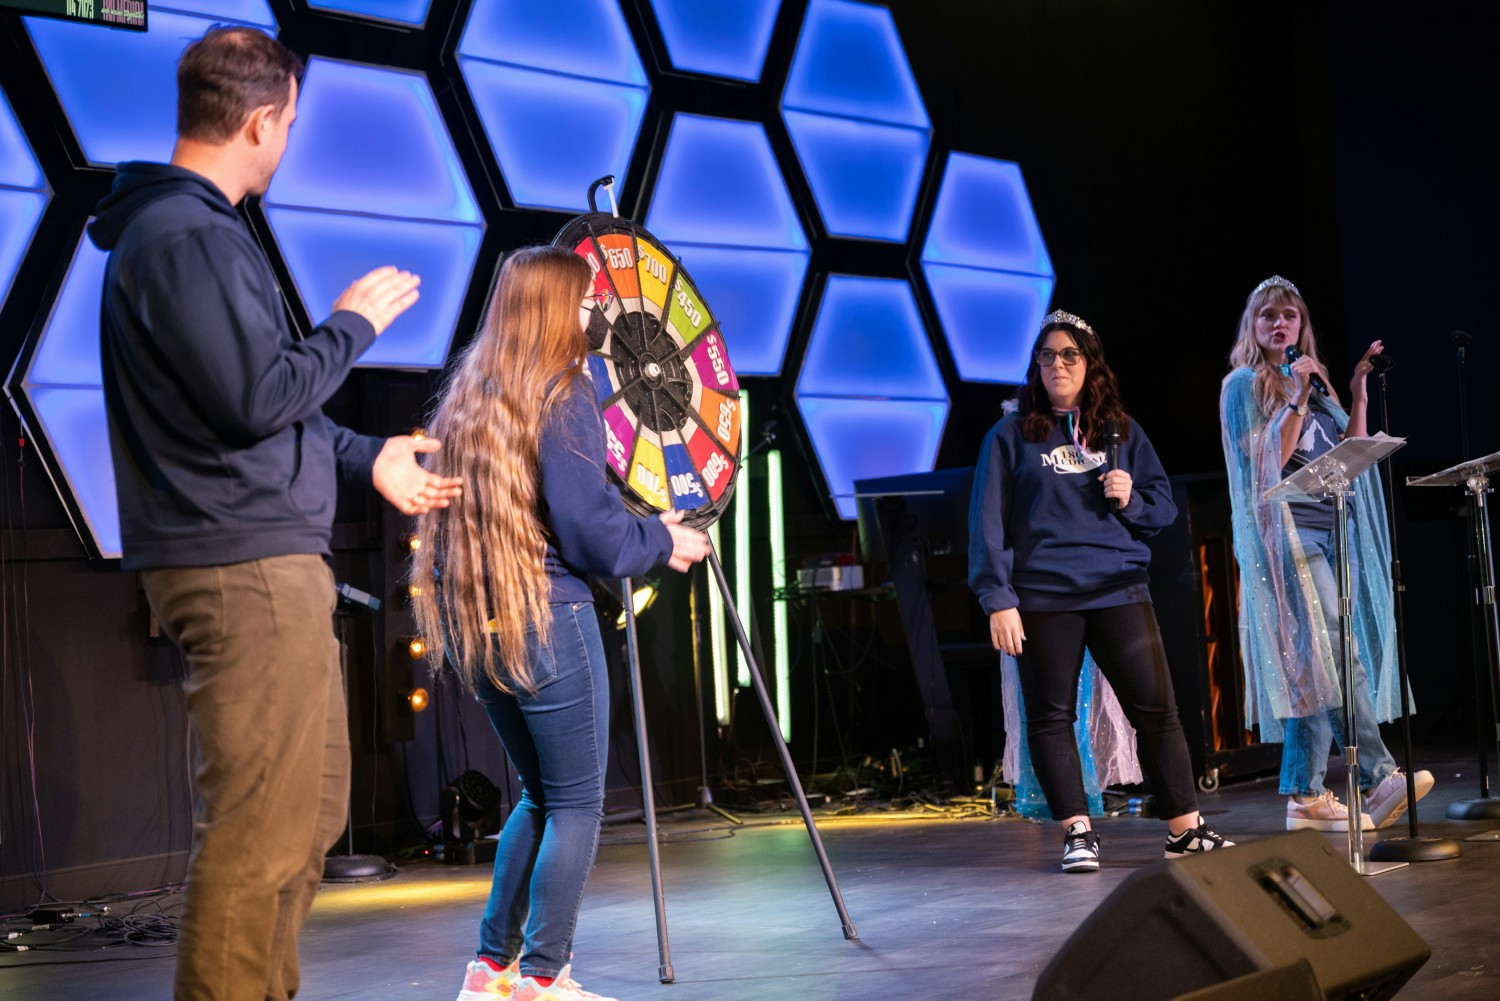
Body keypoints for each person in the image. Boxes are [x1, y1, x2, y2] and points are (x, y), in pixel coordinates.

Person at [90, 26, 462, 1001]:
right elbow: (259, 394)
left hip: (266, 557)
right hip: (241, 564)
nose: (287, 141)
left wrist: (365, 454)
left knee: (308, 815)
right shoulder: (183, 235)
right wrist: (354, 324)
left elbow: (260, 409)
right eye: (289, 123)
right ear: (262, 121)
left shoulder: (198, 233)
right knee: (259, 829)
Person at [411, 245, 711, 1001]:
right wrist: (662, 539)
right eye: (581, 304)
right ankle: (545, 976)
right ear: (551, 309)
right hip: (550, 618)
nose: (589, 319)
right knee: (575, 803)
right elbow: (586, 531)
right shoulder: (563, 390)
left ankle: (490, 971)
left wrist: (637, 530)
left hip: (483, 625)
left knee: (540, 797)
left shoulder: (471, 398)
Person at [969, 309, 1233, 872]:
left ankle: (1185, 831)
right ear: (1035, 368)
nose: (1057, 365)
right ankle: (1078, 832)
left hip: (1119, 588)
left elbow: (1160, 509)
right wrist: (998, 599)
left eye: (1069, 355)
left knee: (1158, 711)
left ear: (1090, 364)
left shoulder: (1123, 432)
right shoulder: (1010, 435)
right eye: (1047, 356)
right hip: (1042, 597)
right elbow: (986, 523)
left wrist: (1129, 496)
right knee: (1050, 716)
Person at [1220, 275, 1432, 832]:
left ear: (1301, 325)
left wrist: (1356, 393)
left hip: (1334, 525)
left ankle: (1305, 797)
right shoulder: (1243, 385)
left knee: (1318, 659)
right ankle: (1378, 776)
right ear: (1254, 325)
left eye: (1290, 316)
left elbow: (1347, 454)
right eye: (1268, 316)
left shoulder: (1316, 384)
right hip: (1288, 533)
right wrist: (1293, 394)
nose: (1280, 324)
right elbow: (1265, 460)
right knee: (1334, 645)